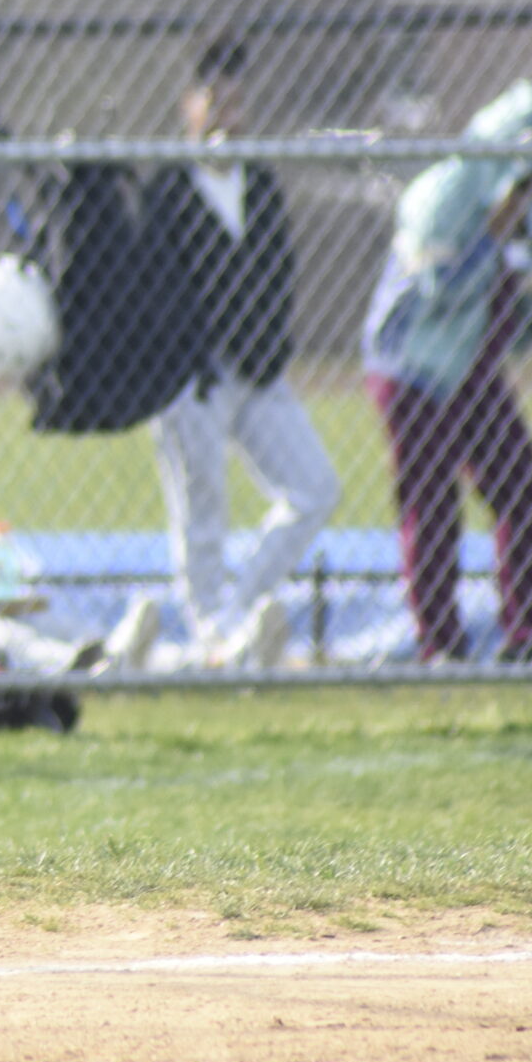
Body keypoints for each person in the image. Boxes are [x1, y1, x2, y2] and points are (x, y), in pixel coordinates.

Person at [361, 80, 532, 663]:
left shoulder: (526, 205)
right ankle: (441, 645)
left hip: (474, 370)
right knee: (431, 506)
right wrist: (493, 238)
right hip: (417, 370)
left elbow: (522, 310)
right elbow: (438, 289)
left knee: (520, 485)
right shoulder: (449, 189)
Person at [142, 36, 339, 668]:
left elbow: (280, 271)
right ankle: (212, 630)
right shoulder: (167, 189)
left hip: (256, 371)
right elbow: (157, 287)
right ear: (187, 108)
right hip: (189, 377)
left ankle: (239, 607)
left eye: (236, 101)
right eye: (214, 101)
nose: (228, 114)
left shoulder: (260, 181)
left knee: (314, 487)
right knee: (201, 503)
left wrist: (268, 348)